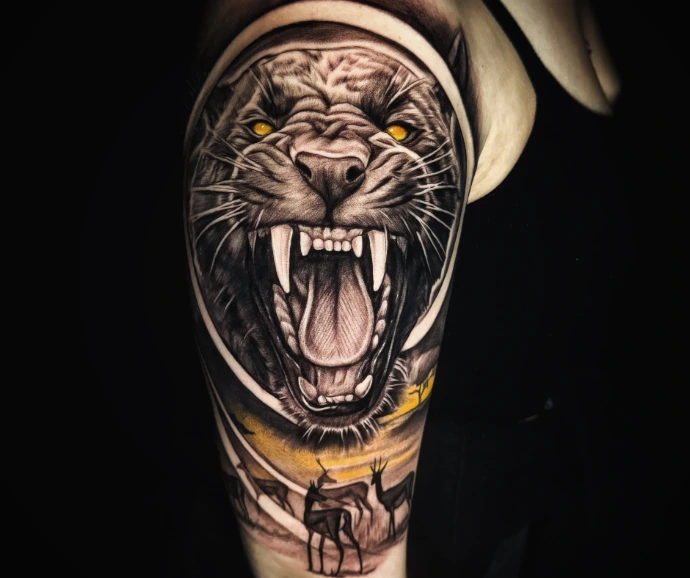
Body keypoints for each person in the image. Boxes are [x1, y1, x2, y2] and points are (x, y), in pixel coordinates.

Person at [181, 1, 624, 576]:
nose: (332, 158)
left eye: (397, 129)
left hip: (539, 496)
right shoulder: (349, 20)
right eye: (265, 127)